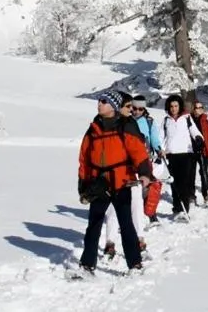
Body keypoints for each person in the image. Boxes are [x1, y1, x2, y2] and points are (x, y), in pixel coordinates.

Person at [77, 90, 152, 276]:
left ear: (113, 105)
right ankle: (87, 265)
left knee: (126, 224)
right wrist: (83, 183)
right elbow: (84, 158)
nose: (99, 104)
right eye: (99, 101)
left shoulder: (125, 125)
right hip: (99, 183)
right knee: (93, 225)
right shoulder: (93, 128)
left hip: (121, 182)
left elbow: (138, 152)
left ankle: (134, 264)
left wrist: (145, 173)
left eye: (103, 101)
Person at [161, 94, 204, 220]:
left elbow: (194, 131)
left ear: (179, 106)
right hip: (171, 154)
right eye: (171, 106)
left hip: (186, 153)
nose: (174, 108)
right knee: (174, 183)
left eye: (176, 106)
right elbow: (161, 137)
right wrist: (160, 149)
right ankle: (176, 208)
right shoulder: (166, 120)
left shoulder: (186, 118)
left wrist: (199, 138)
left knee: (184, 183)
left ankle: (184, 209)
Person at [128, 94, 164, 226]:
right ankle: (130, 217)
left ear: (144, 109)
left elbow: (154, 138)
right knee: (132, 188)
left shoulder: (149, 121)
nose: (137, 111)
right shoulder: (126, 120)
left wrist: (159, 149)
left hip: (146, 158)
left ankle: (151, 214)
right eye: (134, 108)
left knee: (150, 186)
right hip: (129, 159)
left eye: (140, 109)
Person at [190, 100, 208, 205]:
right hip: (191, 151)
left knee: (204, 172)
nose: (199, 110)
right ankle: (191, 196)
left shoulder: (205, 121)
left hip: (204, 151)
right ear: (193, 109)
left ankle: (207, 196)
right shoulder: (189, 120)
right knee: (190, 174)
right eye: (197, 107)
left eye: (201, 107)